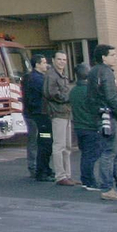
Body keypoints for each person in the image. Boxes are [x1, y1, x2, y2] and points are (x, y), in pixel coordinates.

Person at [90, 42, 117, 201]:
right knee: (110, 153)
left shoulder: (93, 72)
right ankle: (108, 188)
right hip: (109, 116)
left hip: (100, 115)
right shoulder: (106, 72)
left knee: (113, 152)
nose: (115, 58)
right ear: (103, 57)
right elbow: (111, 96)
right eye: (112, 55)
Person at [44, 49, 76, 185]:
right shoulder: (51, 76)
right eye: (59, 59)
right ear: (53, 60)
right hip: (57, 113)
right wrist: (68, 97)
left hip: (66, 113)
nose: (62, 62)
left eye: (64, 59)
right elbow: (51, 93)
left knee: (67, 146)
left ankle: (67, 175)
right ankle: (60, 176)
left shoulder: (63, 75)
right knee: (59, 145)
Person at [70, 63, 103, 192]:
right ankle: (90, 181)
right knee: (91, 155)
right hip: (91, 127)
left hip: (78, 126)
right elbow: (95, 108)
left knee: (85, 155)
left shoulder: (73, 91)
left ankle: (85, 180)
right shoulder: (90, 91)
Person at [21, 54, 53, 181]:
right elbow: (47, 93)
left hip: (34, 114)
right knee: (38, 141)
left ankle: (41, 167)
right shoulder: (36, 79)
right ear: (37, 64)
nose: (46, 65)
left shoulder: (32, 77)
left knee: (39, 141)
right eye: (44, 62)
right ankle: (36, 167)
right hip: (36, 114)